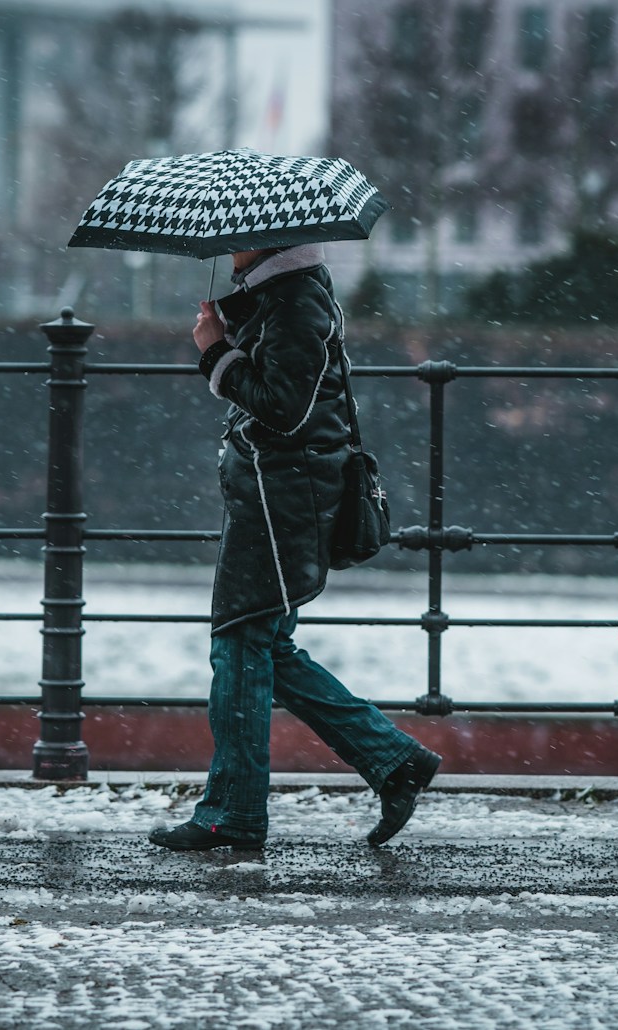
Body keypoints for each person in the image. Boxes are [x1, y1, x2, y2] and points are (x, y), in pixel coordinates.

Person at [148, 242, 441, 852]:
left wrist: (216, 353)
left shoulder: (296, 299)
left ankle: (235, 812)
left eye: (235, 240)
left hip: (283, 494)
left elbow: (284, 410)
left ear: (266, 239)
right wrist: (231, 330)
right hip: (276, 492)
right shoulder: (282, 297)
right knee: (260, 644)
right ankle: (391, 761)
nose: (226, 248)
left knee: (240, 643)